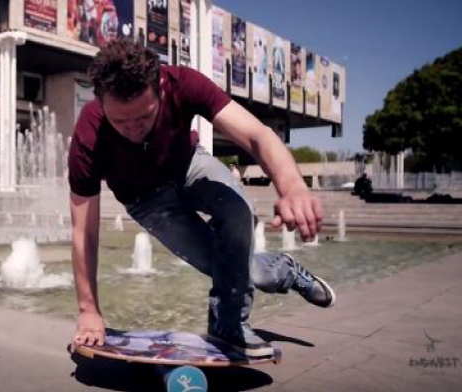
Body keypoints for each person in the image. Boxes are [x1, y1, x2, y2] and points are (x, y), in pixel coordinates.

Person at [68, 39, 335, 357]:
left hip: (188, 165)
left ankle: (229, 325)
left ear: (161, 88)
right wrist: (88, 309)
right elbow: (84, 232)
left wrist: (292, 186)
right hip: (145, 200)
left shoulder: (184, 83)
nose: (133, 129)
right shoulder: (89, 133)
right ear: (100, 101)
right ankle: (284, 270)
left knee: (237, 208)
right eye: (119, 121)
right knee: (235, 268)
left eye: (144, 116)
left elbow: (256, 134)